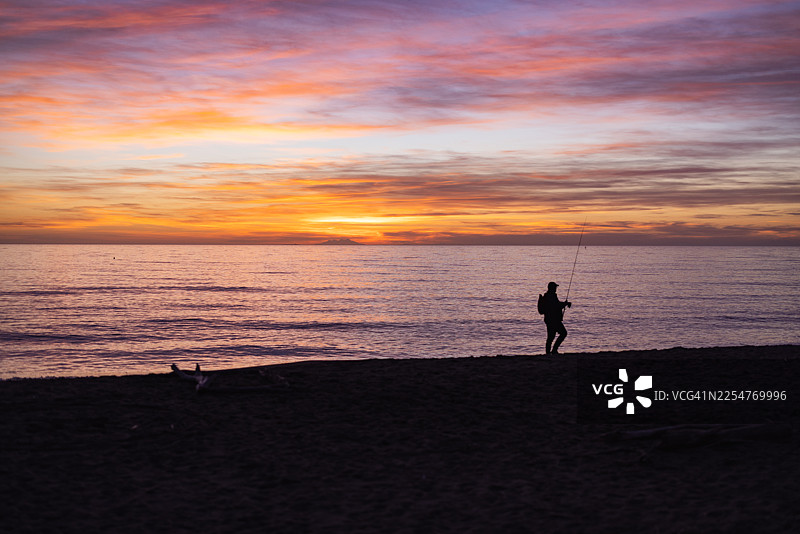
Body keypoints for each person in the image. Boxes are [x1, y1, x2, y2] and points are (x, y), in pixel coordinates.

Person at [541, 281, 571, 355]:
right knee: (563, 333)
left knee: (551, 337)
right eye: (555, 287)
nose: (556, 289)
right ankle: (553, 350)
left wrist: (564, 304)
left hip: (550, 319)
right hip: (553, 319)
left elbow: (556, 304)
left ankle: (549, 352)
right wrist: (565, 304)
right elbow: (556, 306)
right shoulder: (550, 296)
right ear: (552, 288)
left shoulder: (549, 296)